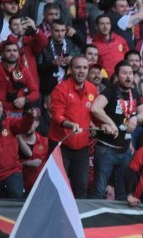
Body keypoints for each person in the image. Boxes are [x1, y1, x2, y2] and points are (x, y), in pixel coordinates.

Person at [90, 60, 143, 200]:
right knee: (99, 190)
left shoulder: (134, 92)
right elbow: (95, 108)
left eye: (131, 73)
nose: (128, 76)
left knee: (123, 192)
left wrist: (135, 119)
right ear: (117, 75)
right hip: (106, 149)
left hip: (125, 150)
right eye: (124, 73)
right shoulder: (110, 91)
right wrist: (110, 123)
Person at [48, 55, 98, 199]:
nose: (81, 71)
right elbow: (57, 116)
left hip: (82, 146)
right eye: (78, 67)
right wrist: (71, 125)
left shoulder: (92, 89)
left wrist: (96, 125)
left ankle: (78, 220)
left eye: (85, 67)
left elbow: (93, 114)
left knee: (81, 187)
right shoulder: (60, 89)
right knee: (57, 186)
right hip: (60, 144)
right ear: (70, 70)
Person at [0, 101, 38, 199]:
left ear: (3, 109)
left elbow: (23, 125)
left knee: (17, 196)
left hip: (11, 171)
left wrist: (29, 117)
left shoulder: (10, 122)